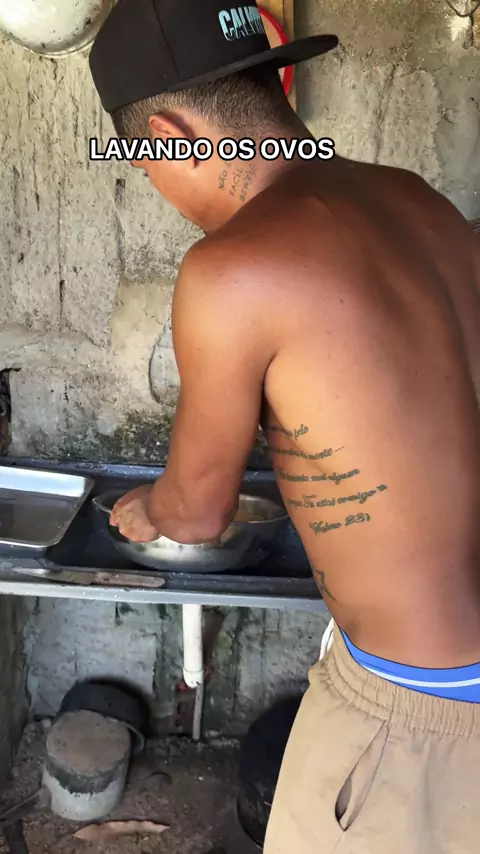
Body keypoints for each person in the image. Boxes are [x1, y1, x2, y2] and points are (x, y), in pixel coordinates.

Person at [88, 1, 480, 851]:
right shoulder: (418, 202)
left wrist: (147, 507)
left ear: (169, 136)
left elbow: (197, 512)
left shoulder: (235, 269)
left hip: (424, 714)